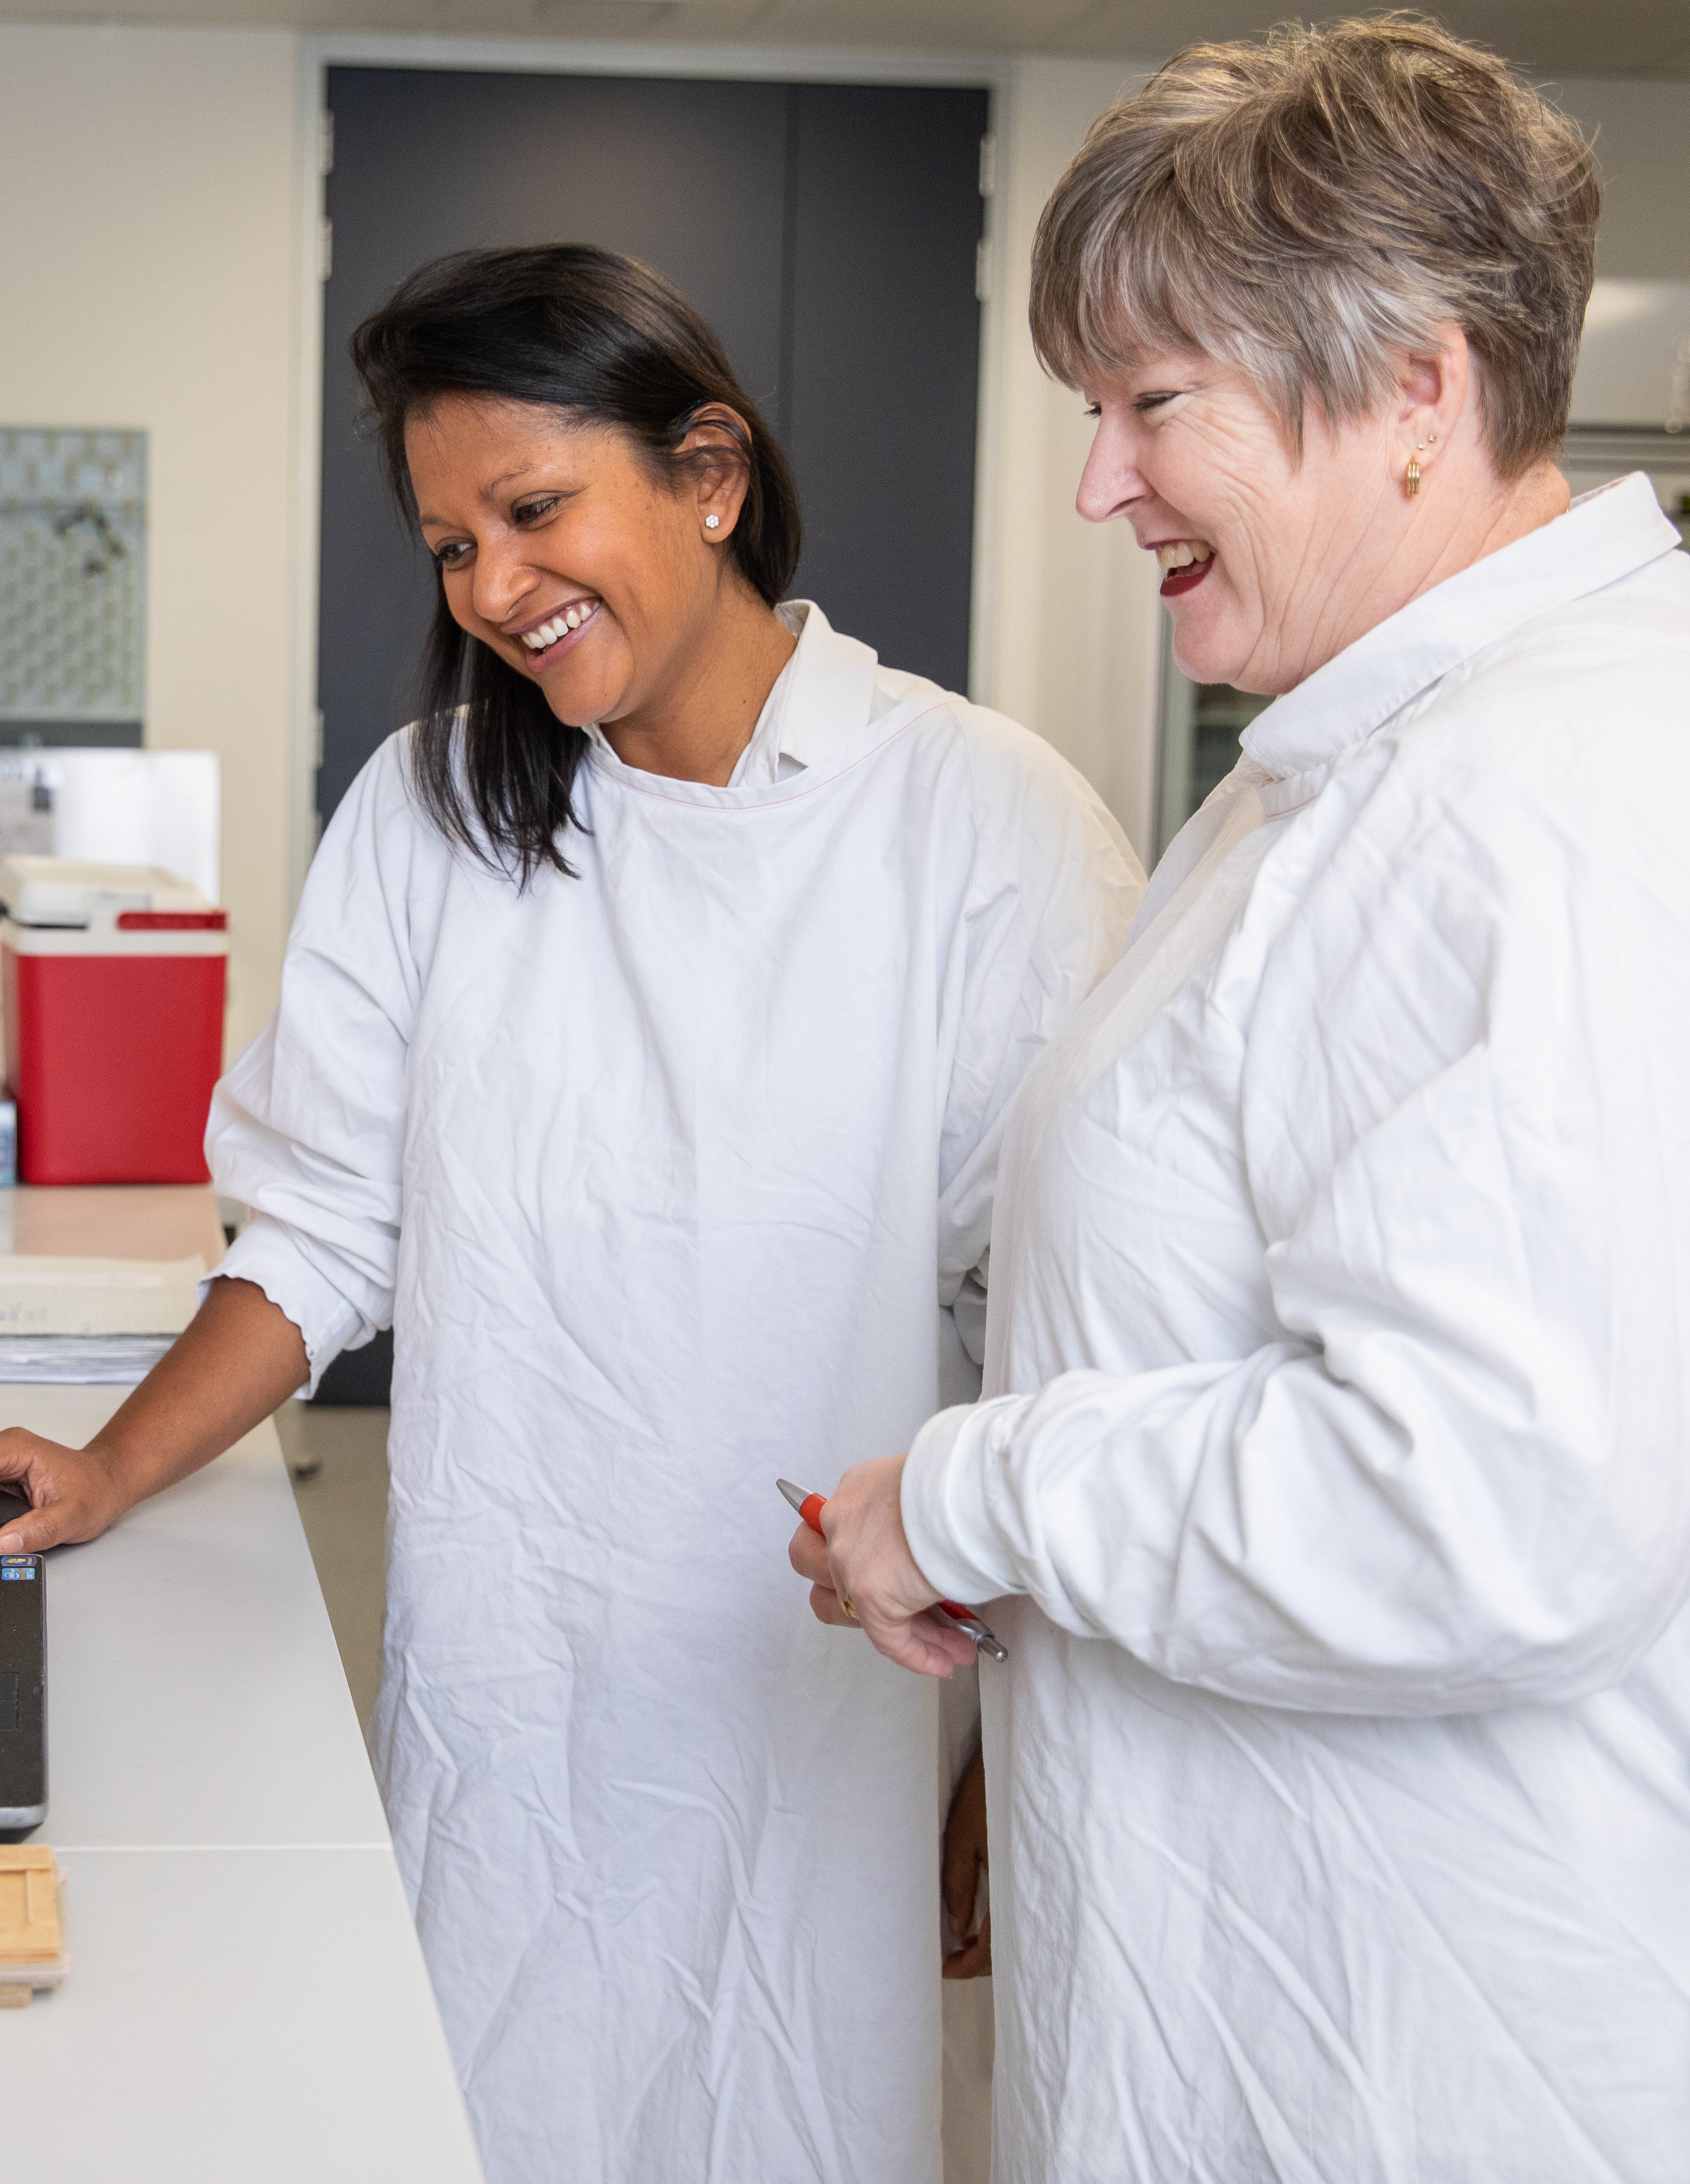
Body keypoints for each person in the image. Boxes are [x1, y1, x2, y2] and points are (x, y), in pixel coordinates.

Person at [0, 245, 1141, 2182]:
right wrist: (107, 1476)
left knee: (789, 2110)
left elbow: (1073, 1323)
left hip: (837, 1693)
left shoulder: (979, 824)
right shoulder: (437, 806)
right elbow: (318, 1224)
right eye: (450, 542)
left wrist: (1020, 1765)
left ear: (707, 471)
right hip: (514, 1668)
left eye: (534, 509)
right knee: (477, 2100)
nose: (495, 589)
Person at [790, 20, 1690, 2180]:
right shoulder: (1345, 769)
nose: (1099, 483)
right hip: (1265, 2004)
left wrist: (971, 1494)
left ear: (1410, 386)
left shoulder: (1539, 794)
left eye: (1148, 404)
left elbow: (1478, 1502)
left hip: (1417, 2074)